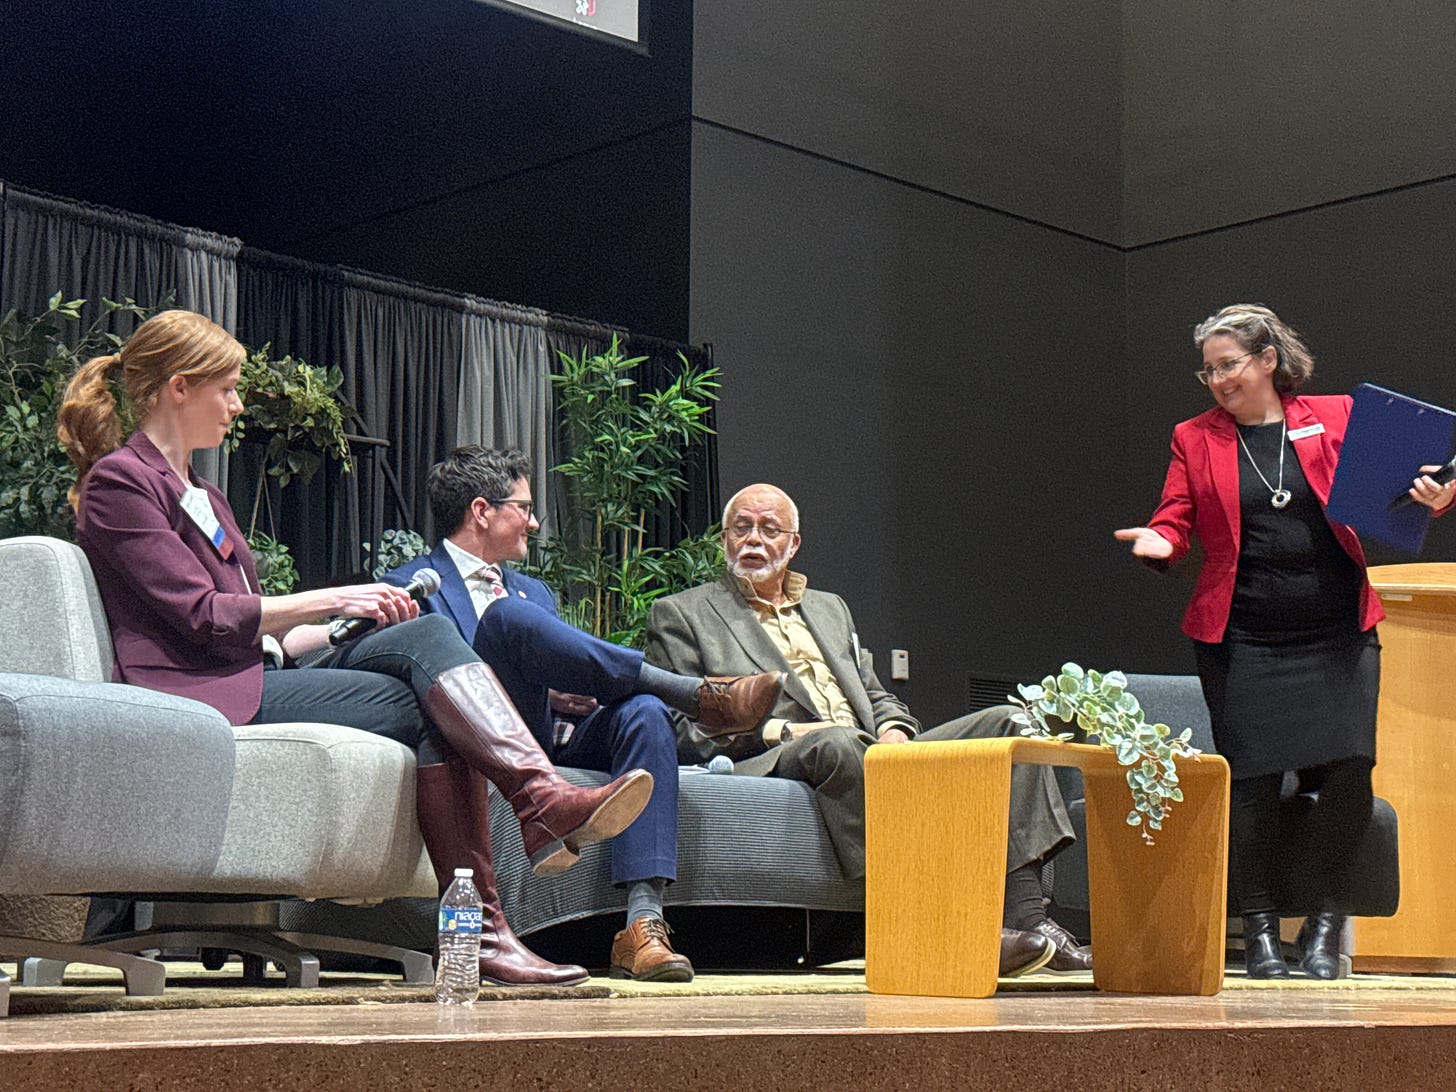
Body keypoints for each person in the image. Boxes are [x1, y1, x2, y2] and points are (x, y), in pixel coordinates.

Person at [55, 309, 665, 989]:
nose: (235, 406)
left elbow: (262, 629)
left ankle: (506, 885)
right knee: (427, 686)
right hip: (192, 693)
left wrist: (355, 618)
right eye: (226, 389)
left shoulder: (205, 495)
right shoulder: (121, 483)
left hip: (249, 673)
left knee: (420, 644)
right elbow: (200, 616)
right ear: (178, 386)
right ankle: (514, 863)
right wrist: (336, 597)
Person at [1115, 303, 1456, 979]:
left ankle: (1325, 928)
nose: (1216, 380)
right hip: (1244, 637)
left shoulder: (1334, 417)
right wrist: (1162, 542)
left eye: (1229, 364)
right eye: (1208, 370)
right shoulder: (1196, 437)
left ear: (1267, 359)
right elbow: (1175, 517)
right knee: (1253, 785)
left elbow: (1407, 487)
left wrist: (1434, 498)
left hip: (1338, 632)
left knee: (1350, 773)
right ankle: (1263, 933)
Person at [645, 483, 1093, 978]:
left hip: (868, 747)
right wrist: (780, 732)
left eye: (769, 529)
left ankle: (1027, 919)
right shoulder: (683, 614)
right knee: (837, 741)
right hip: (777, 753)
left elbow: (875, 695)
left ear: (793, 544)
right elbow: (683, 727)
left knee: (1010, 726)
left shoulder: (829, 608)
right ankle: (934, 923)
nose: (754, 539)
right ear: (724, 539)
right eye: (741, 528)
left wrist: (896, 729)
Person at [385, 447, 783, 981]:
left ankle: (642, 925)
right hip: (476, 743)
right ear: (482, 511)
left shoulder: (534, 589)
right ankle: (695, 695)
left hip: (548, 734)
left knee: (643, 712)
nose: (533, 521)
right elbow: (417, 679)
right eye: (523, 508)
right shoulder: (411, 586)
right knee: (506, 619)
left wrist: (564, 692)